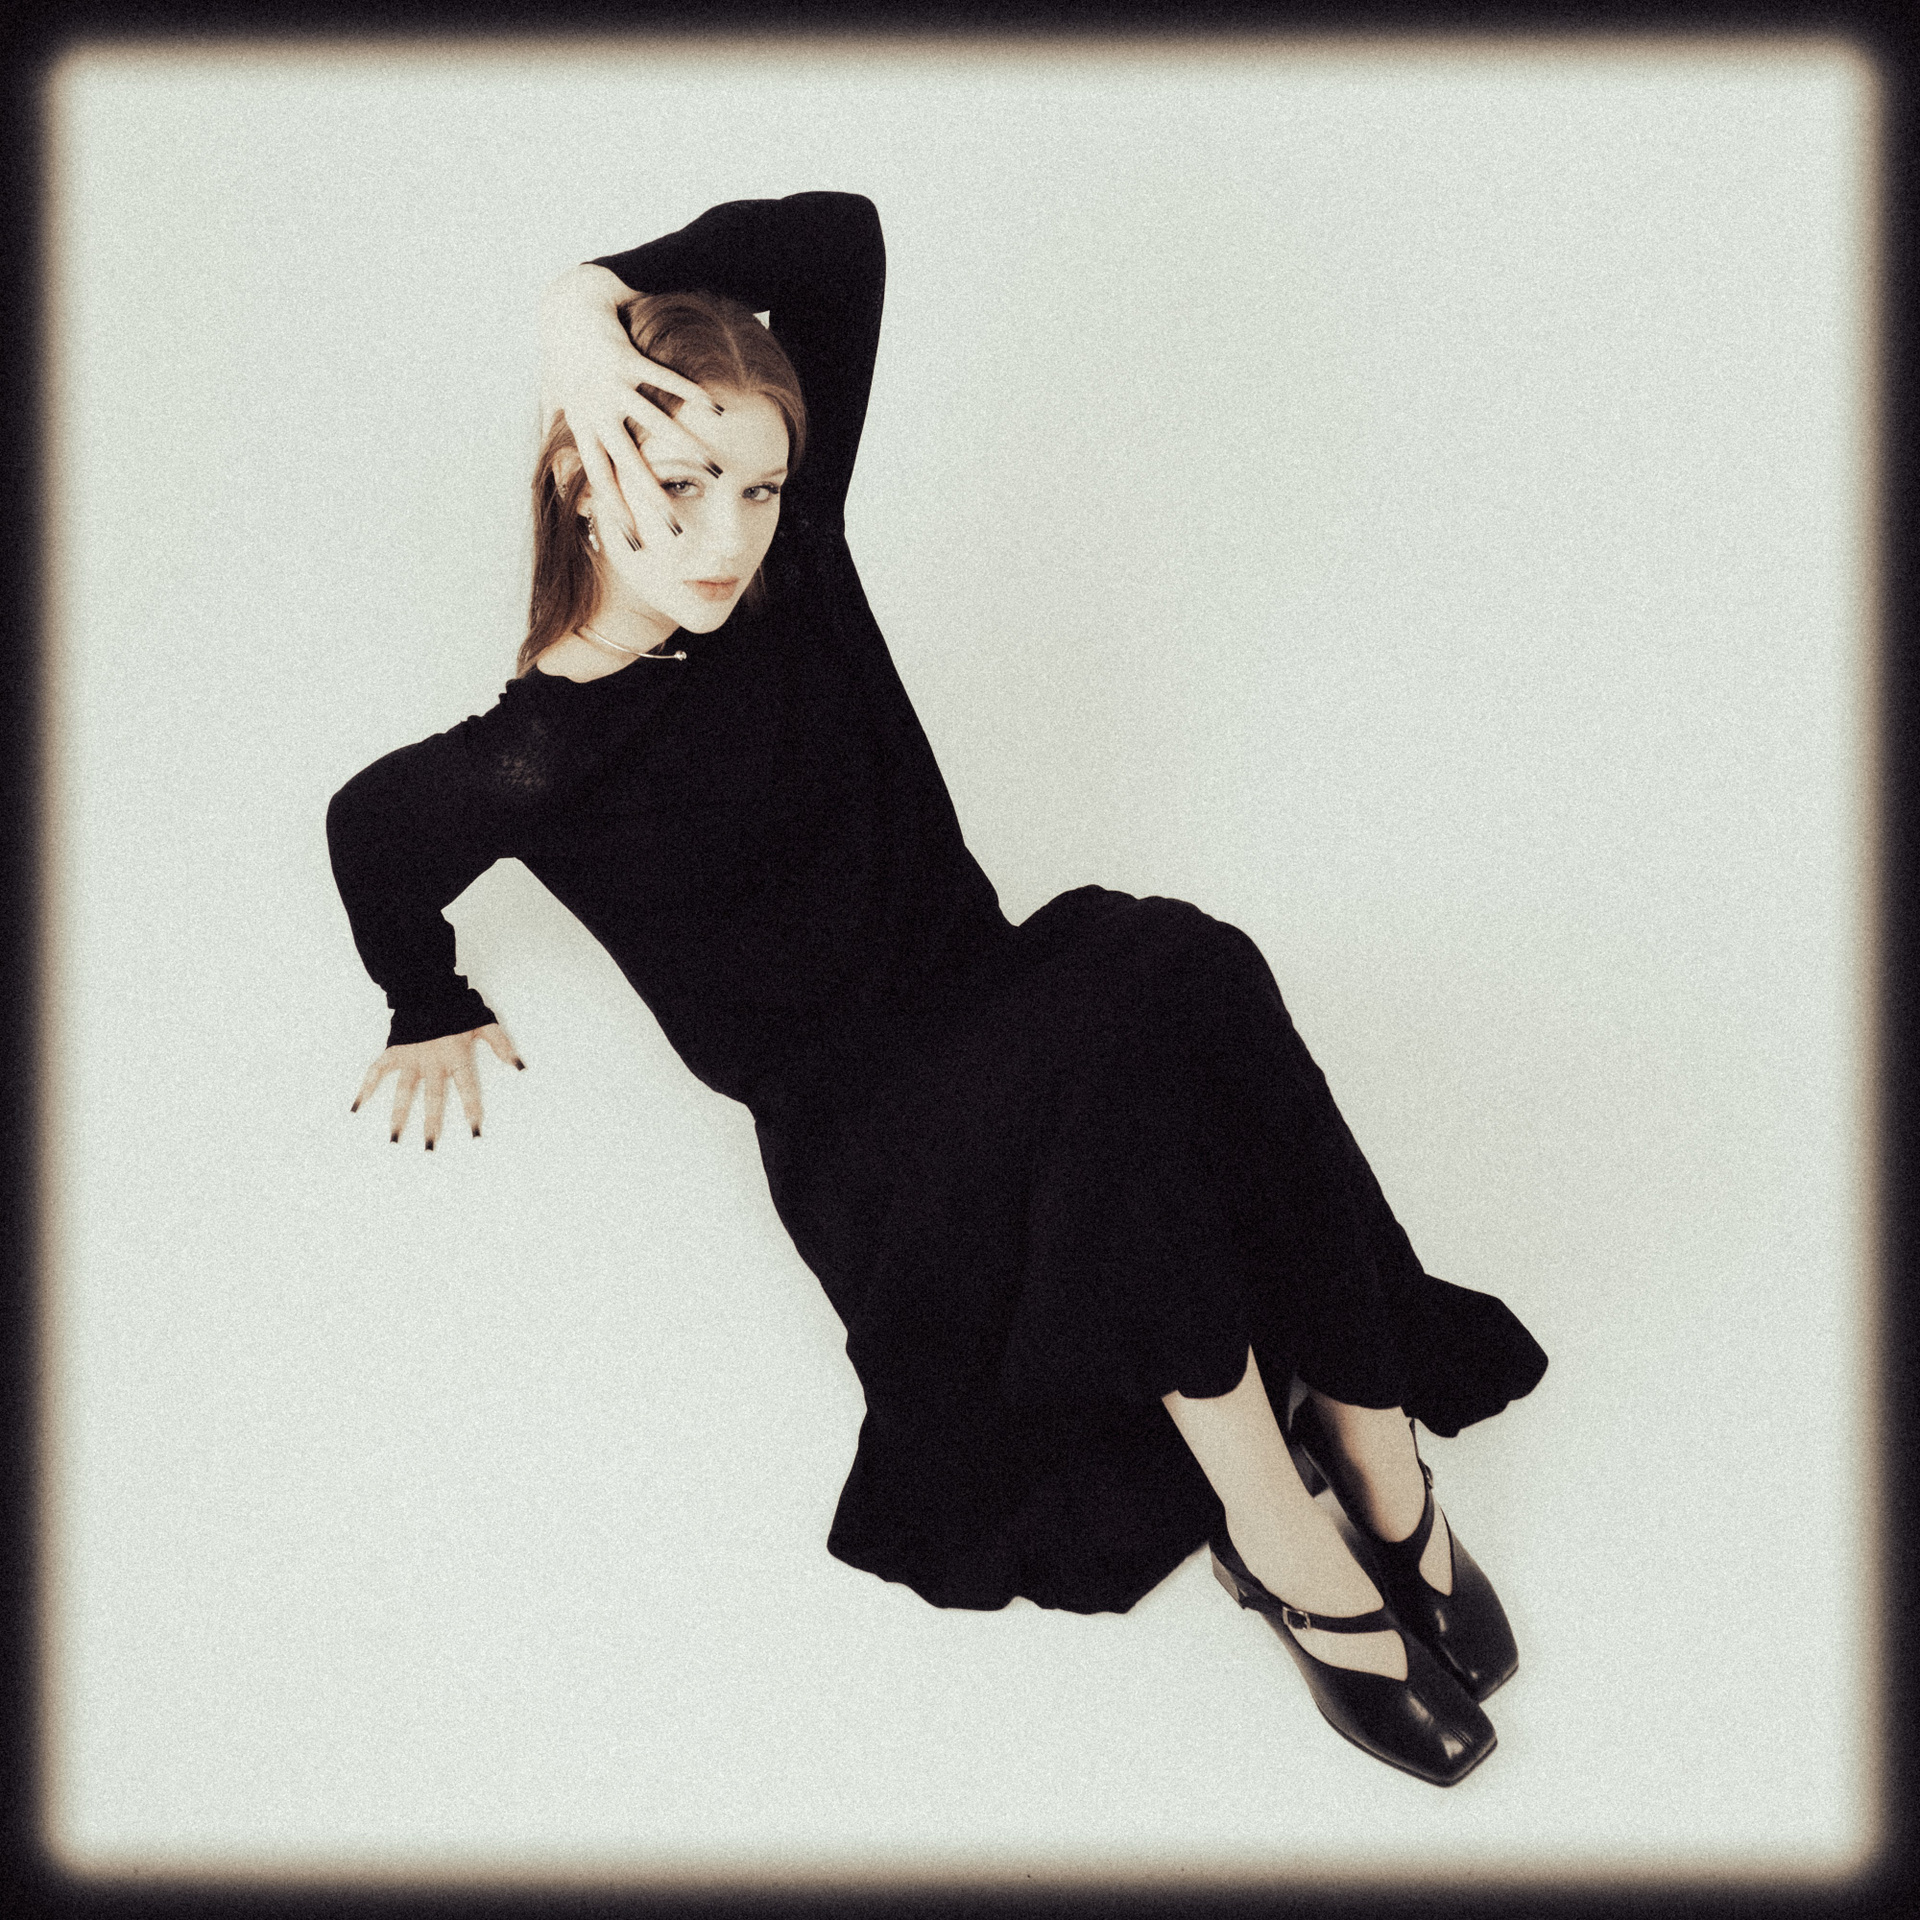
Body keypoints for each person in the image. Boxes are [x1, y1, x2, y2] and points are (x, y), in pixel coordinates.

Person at [326, 191, 1548, 1789]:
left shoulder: (793, 567)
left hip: (998, 990)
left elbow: (837, 241)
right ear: (582, 473)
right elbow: (368, 833)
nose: (725, 534)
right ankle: (1281, 1533)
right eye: (677, 483)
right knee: (1130, 1031)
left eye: (757, 485)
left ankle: (1379, 1466)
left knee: (1187, 966)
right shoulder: (536, 757)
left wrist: (586, 298)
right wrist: (425, 995)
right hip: (880, 1149)